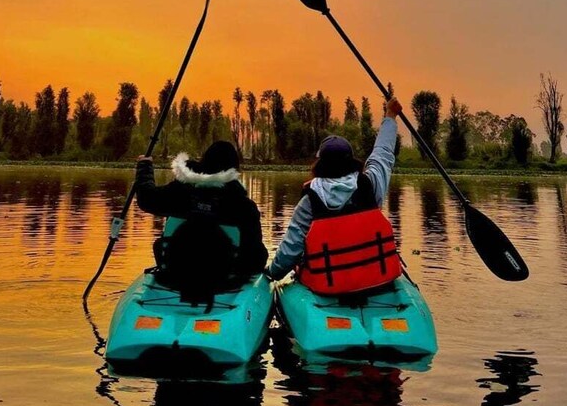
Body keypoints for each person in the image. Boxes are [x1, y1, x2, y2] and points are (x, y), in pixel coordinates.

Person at [266, 98, 404, 294]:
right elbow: (383, 154)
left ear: (319, 164)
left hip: (327, 288)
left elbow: (291, 249)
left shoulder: (310, 202)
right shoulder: (369, 185)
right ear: (352, 162)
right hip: (377, 283)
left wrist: (272, 273)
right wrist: (390, 116)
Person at [134, 141, 268, 299]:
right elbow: (256, 259)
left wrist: (144, 167)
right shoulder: (243, 206)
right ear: (234, 170)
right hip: (224, 281)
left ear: (203, 163)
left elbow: (147, 199)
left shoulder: (180, 193)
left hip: (175, 275)